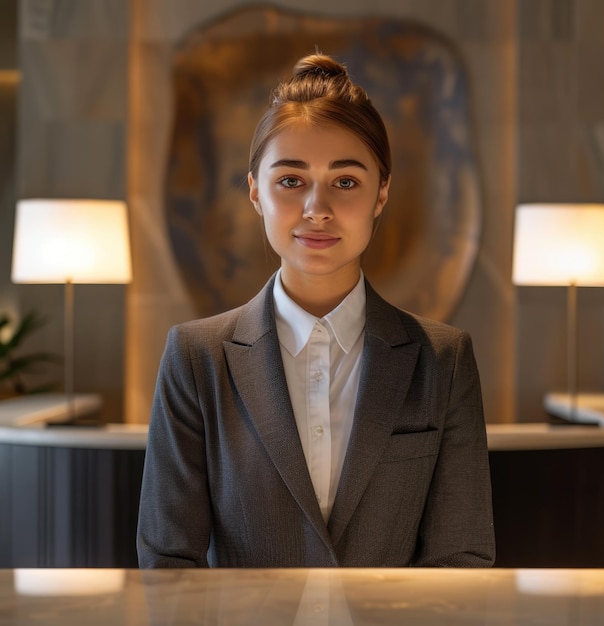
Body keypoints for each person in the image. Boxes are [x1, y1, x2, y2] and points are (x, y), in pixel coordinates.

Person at [137, 53, 495, 568]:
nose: (317, 208)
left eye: (345, 181)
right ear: (256, 192)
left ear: (381, 193)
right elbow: (168, 563)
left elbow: (462, 560)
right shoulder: (196, 358)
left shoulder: (443, 360)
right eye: (291, 180)